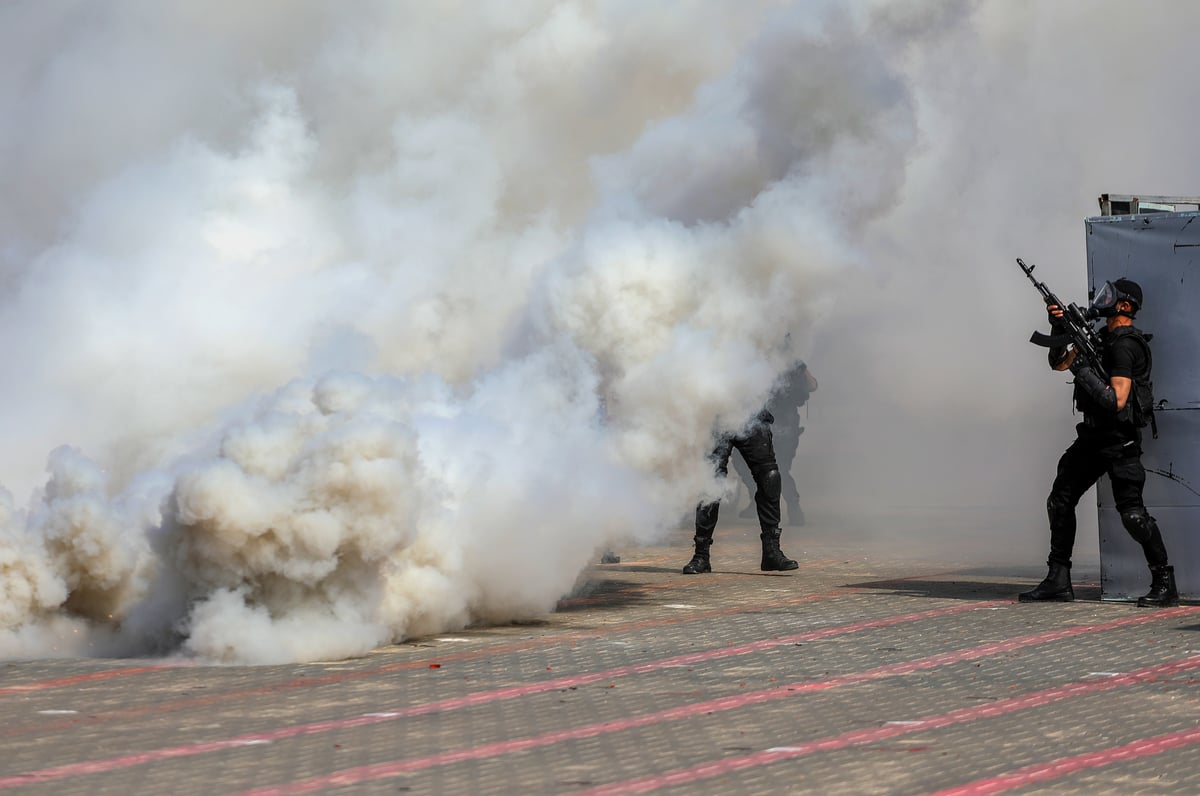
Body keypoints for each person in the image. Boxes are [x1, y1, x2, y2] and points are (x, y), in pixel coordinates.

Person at [1020, 278, 1178, 607]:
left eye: (1111, 297)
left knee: (1133, 515)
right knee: (1059, 500)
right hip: (1092, 438)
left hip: (1118, 441)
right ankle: (1058, 579)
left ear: (1125, 306)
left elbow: (1116, 400)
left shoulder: (1125, 345)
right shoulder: (1103, 338)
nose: (1102, 299)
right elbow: (1059, 362)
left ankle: (1165, 582)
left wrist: (1081, 369)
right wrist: (1058, 329)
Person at [682, 402, 800, 576]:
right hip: (716, 413)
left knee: (770, 476)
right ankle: (701, 555)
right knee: (711, 479)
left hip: (750, 408)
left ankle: (772, 551)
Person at [735, 360, 817, 525]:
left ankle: (793, 506)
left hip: (779, 425)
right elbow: (813, 385)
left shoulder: (789, 364)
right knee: (747, 464)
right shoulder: (776, 362)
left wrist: (801, 368)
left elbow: (812, 385)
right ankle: (761, 501)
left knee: (777, 470)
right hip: (767, 425)